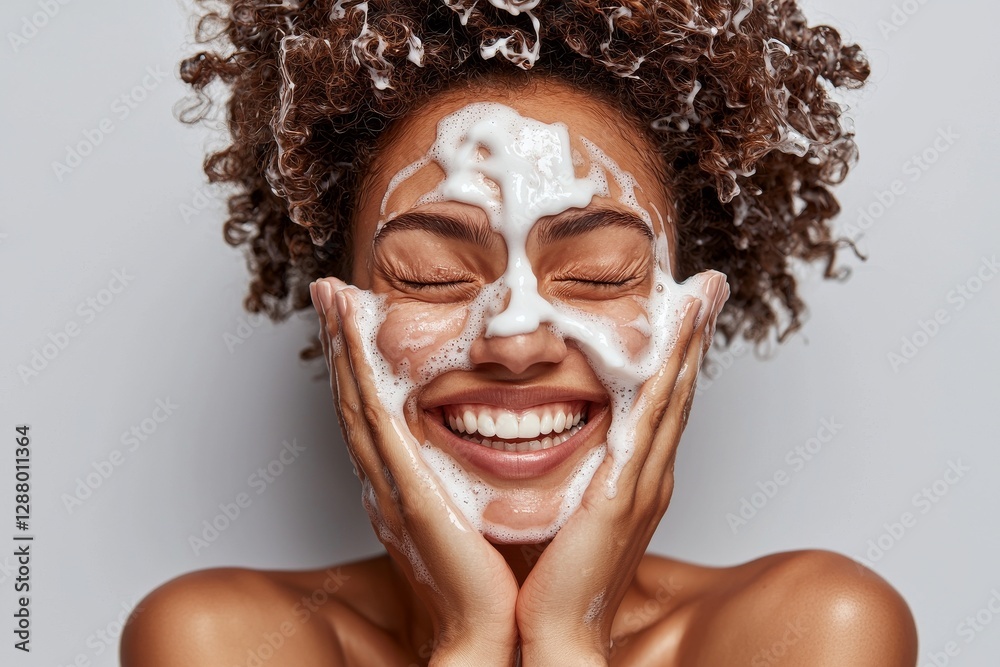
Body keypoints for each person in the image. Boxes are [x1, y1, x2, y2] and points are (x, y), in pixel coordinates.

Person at [122, 1, 918, 665]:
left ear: (691, 309)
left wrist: (568, 637)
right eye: (431, 274)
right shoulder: (217, 641)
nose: (515, 338)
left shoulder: (815, 631)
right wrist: (469, 639)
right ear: (341, 306)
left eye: (599, 273)